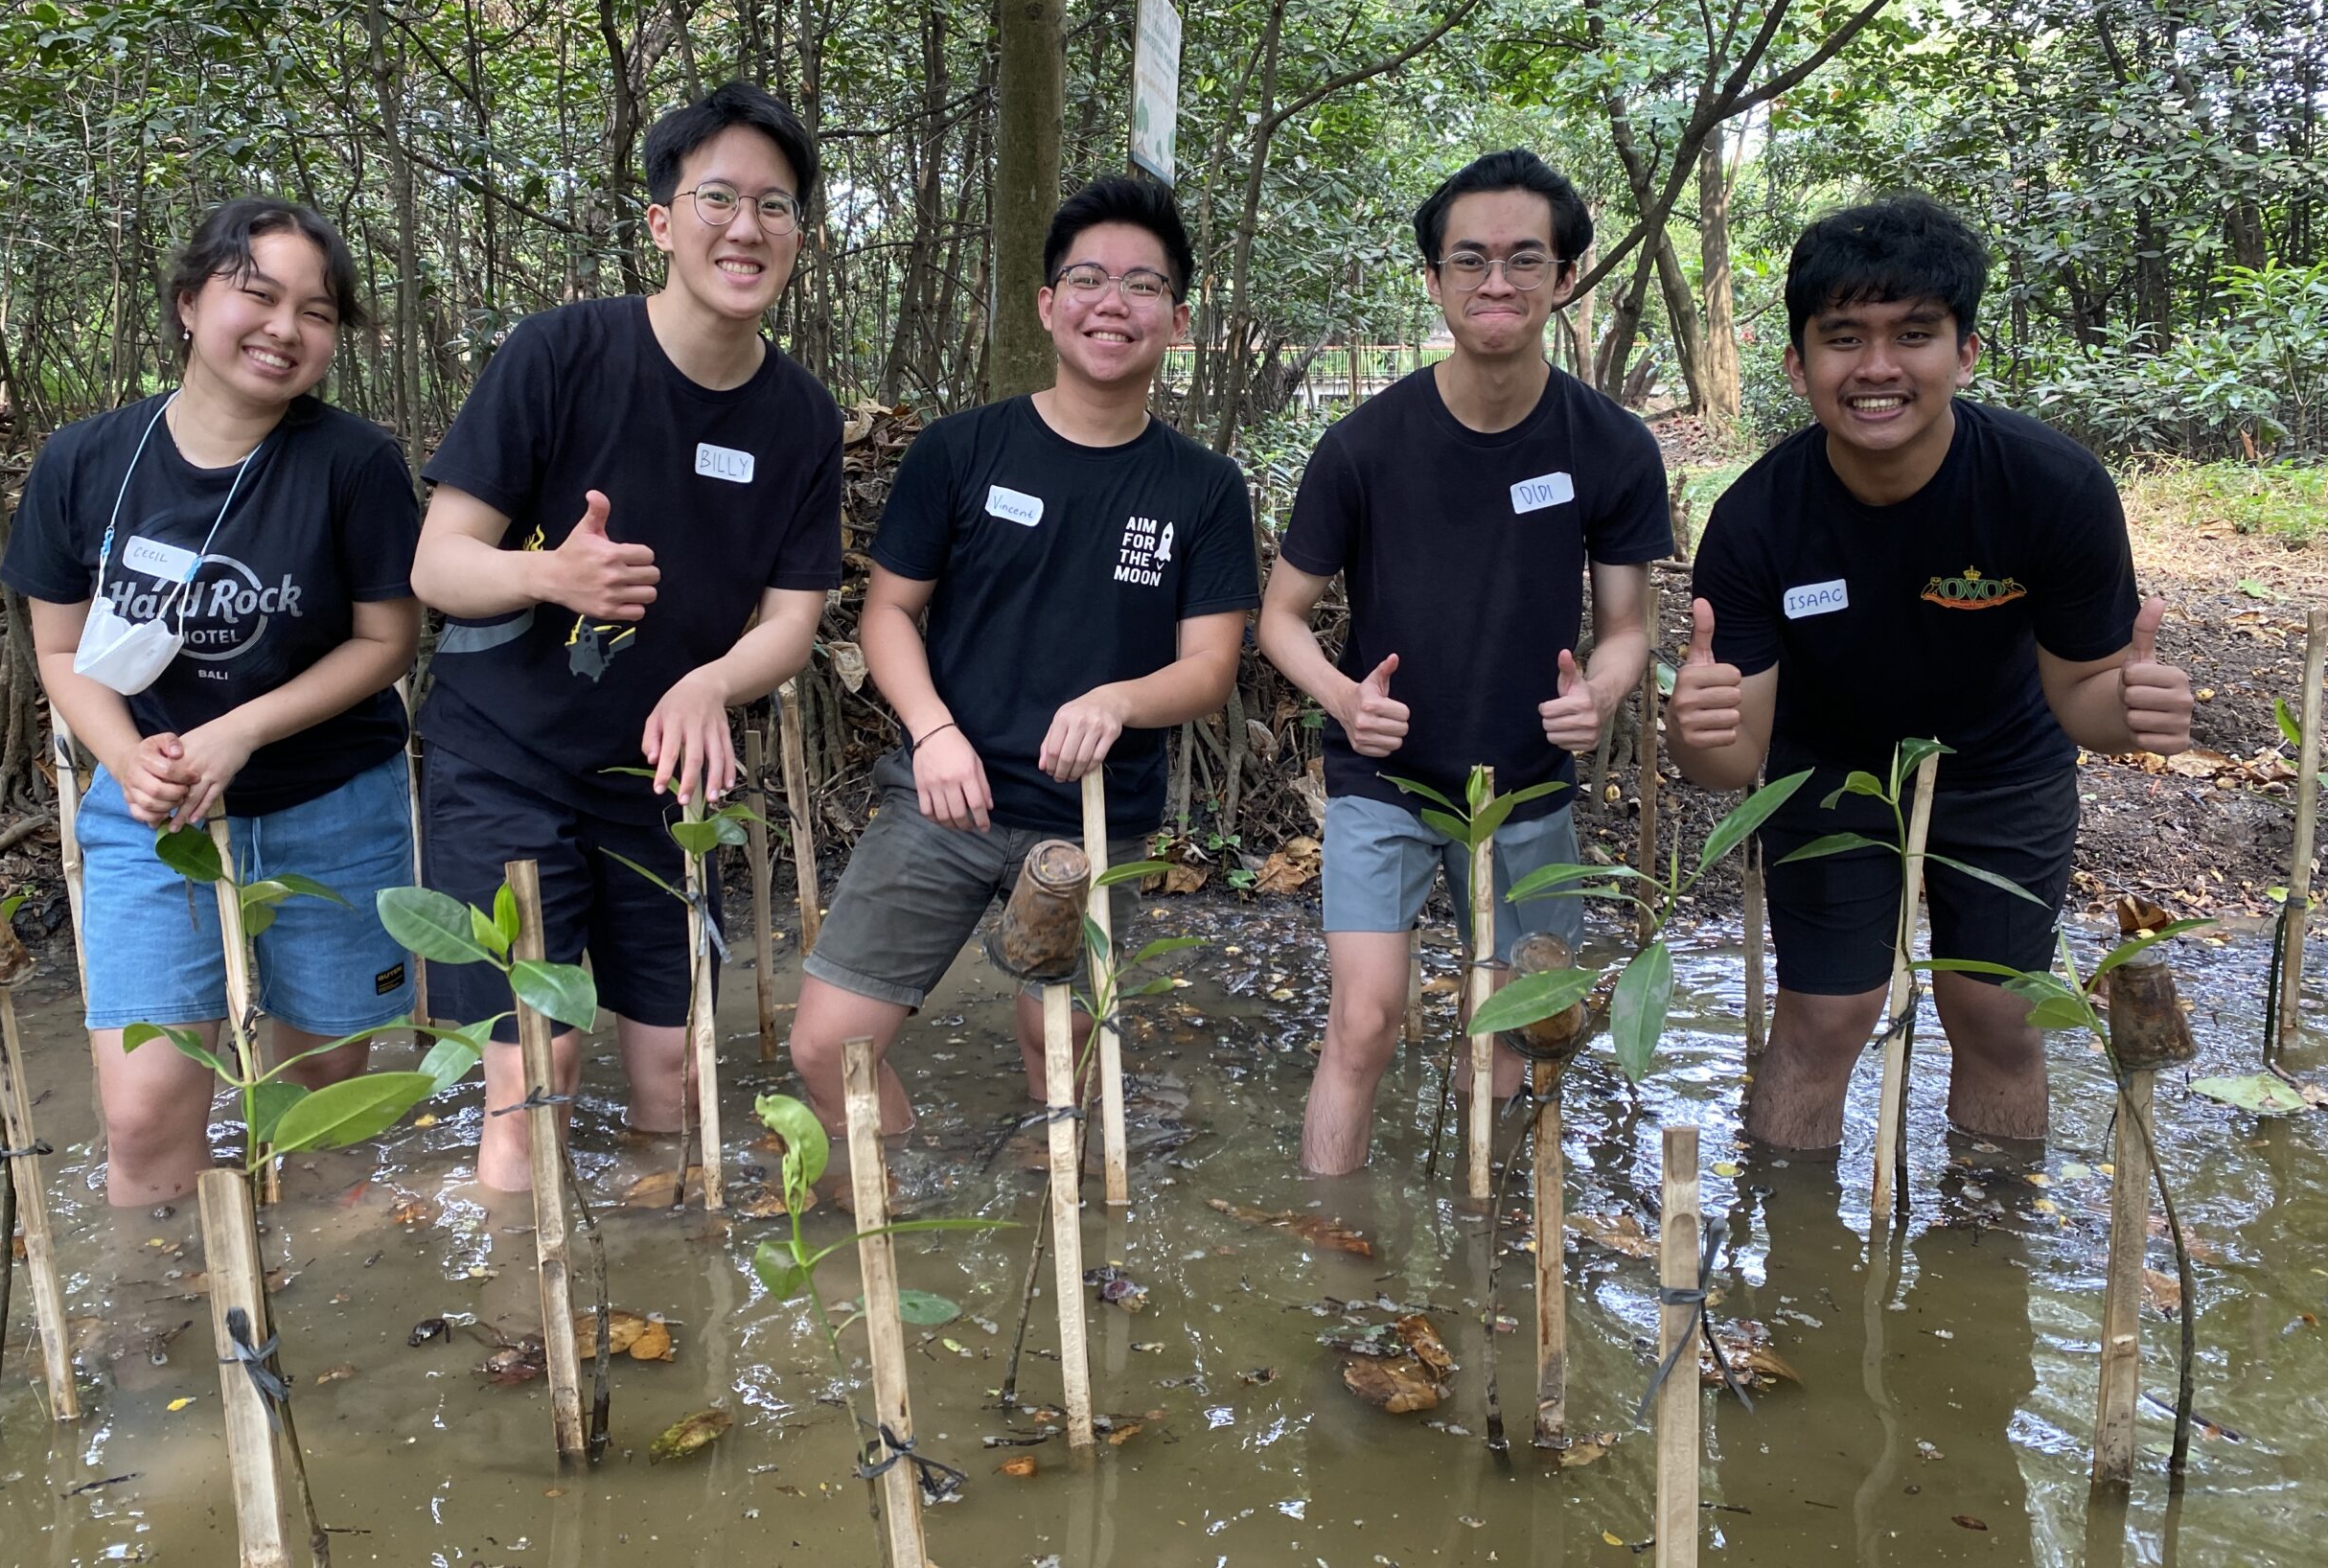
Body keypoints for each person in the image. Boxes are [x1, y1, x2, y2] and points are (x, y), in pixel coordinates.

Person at [1671, 195, 2195, 1148]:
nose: (1876, 368)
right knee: (1822, 1020)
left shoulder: (2052, 488)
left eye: (1913, 334)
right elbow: (1729, 761)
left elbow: (2082, 700)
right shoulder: (1755, 522)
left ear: (1966, 352)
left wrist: (2129, 710)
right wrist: (1693, 726)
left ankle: (1989, 1250)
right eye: (1843, 338)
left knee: (1998, 1019)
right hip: (1825, 776)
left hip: (2000, 765)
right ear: (1797, 364)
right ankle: (1794, 1258)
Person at [411, 81, 843, 1193]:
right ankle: (525, 1322)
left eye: (774, 206)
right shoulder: (560, 353)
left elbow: (793, 621)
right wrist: (549, 573)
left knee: (674, 1081)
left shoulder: (799, 417)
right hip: (505, 755)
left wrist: (709, 683)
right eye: (716, 198)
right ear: (661, 221)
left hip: (657, 779)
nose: (744, 227)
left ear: (800, 234)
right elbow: (439, 564)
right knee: (536, 1073)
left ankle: (669, 1319)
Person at [788, 177, 1258, 1134]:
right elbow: (886, 613)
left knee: (1067, 1063)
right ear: (1048, 305)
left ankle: (1052, 1241)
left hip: (1092, 817)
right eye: (1087, 279)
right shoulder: (962, 451)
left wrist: (1120, 701)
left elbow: (1210, 667)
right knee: (827, 1049)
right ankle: (905, 1211)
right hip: (945, 794)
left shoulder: (1205, 488)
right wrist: (934, 735)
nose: (1111, 303)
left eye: (1141, 285)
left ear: (1176, 318)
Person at [1259, 150, 1672, 1175]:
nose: (1497, 282)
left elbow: (1629, 625)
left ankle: (1479, 1263)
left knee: (1510, 1043)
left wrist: (1604, 693)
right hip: (1383, 777)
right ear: (1435, 279)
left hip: (1528, 785)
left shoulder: (1610, 445)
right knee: (1363, 1022)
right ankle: (1329, 1264)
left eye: (1524, 260)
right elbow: (1277, 617)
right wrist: (1343, 701)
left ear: (1565, 278)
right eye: (1470, 260)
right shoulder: (1362, 446)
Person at [4, 198, 423, 1207]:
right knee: (145, 1118)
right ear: (190, 303)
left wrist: (239, 729)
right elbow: (59, 646)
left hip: (333, 807)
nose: (285, 328)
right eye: (258, 294)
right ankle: (152, 1338)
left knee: (327, 1109)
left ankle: (329, 1333)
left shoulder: (355, 465)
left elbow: (388, 641)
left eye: (316, 312)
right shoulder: (85, 461)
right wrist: (125, 758)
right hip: (153, 815)